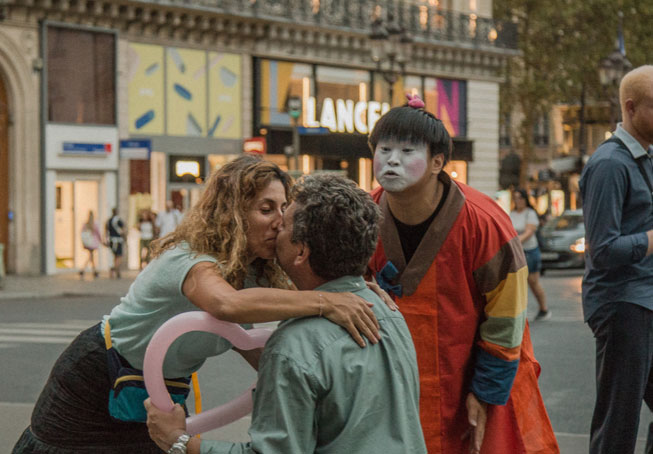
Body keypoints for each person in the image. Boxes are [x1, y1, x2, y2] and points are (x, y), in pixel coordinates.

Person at [12, 156, 382, 454]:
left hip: (162, 389)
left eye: (284, 208)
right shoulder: (190, 258)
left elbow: (260, 352)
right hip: (98, 377)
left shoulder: (255, 276)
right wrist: (327, 301)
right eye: (266, 208)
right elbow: (226, 305)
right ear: (233, 213)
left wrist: (355, 293)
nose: (279, 220)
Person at [145, 173, 426, 454]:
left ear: (301, 251)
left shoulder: (294, 345)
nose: (276, 225)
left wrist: (179, 442)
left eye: (284, 223)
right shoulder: (389, 312)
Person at [367, 94, 559, 454]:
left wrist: (486, 390)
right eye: (384, 148)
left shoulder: (483, 223)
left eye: (408, 151)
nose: (391, 160)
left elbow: (507, 317)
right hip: (390, 379)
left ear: (438, 161)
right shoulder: (362, 215)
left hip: (468, 371)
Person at [579, 65, 653, 454]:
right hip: (623, 303)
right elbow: (603, 249)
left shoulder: (645, 157)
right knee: (618, 421)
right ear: (631, 108)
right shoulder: (610, 164)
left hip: (644, 299)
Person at [510, 188, 550, 321]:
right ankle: (517, 312)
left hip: (530, 250)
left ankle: (543, 308)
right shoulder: (512, 213)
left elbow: (529, 232)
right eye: (515, 198)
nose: (518, 201)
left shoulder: (530, 213)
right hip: (516, 251)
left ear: (525, 199)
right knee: (515, 283)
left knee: (533, 282)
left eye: (520, 198)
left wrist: (514, 242)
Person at [80, 210, 101, 279]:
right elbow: (98, 233)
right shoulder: (95, 224)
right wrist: (101, 240)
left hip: (88, 243)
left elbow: (82, 233)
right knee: (91, 257)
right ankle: (83, 270)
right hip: (92, 242)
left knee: (91, 257)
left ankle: (93, 271)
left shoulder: (86, 224)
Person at [106, 207, 125, 279]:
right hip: (118, 240)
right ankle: (113, 269)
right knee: (119, 256)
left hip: (111, 240)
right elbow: (122, 230)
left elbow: (106, 230)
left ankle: (117, 271)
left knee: (115, 256)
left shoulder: (109, 220)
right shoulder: (118, 220)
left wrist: (107, 240)